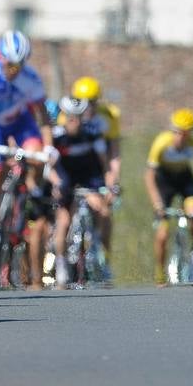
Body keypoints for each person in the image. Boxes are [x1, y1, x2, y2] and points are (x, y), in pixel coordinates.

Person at [0, 31, 52, 288]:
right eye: (8, 64)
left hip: (20, 124)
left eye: (18, 66)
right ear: (0, 59)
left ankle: (32, 189)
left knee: (37, 155)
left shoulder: (31, 80)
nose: (13, 70)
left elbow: (43, 118)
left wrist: (48, 148)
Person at [145, 108, 193, 285]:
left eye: (185, 134)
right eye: (176, 132)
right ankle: (160, 274)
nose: (180, 137)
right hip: (164, 182)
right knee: (162, 234)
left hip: (185, 180)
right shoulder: (161, 142)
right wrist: (157, 204)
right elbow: (149, 176)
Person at [48, 97, 110, 287]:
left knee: (103, 210)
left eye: (78, 117)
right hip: (65, 179)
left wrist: (108, 187)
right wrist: (56, 184)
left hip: (89, 179)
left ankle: (100, 252)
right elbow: (48, 167)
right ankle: (61, 264)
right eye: (70, 117)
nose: (74, 121)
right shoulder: (56, 135)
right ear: (64, 117)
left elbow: (103, 163)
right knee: (63, 222)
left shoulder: (92, 133)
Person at [72, 75, 121, 267]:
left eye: (92, 103)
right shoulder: (66, 114)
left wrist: (113, 182)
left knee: (104, 211)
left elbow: (114, 154)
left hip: (97, 168)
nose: (87, 107)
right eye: (83, 102)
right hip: (74, 165)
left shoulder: (109, 116)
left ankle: (104, 258)